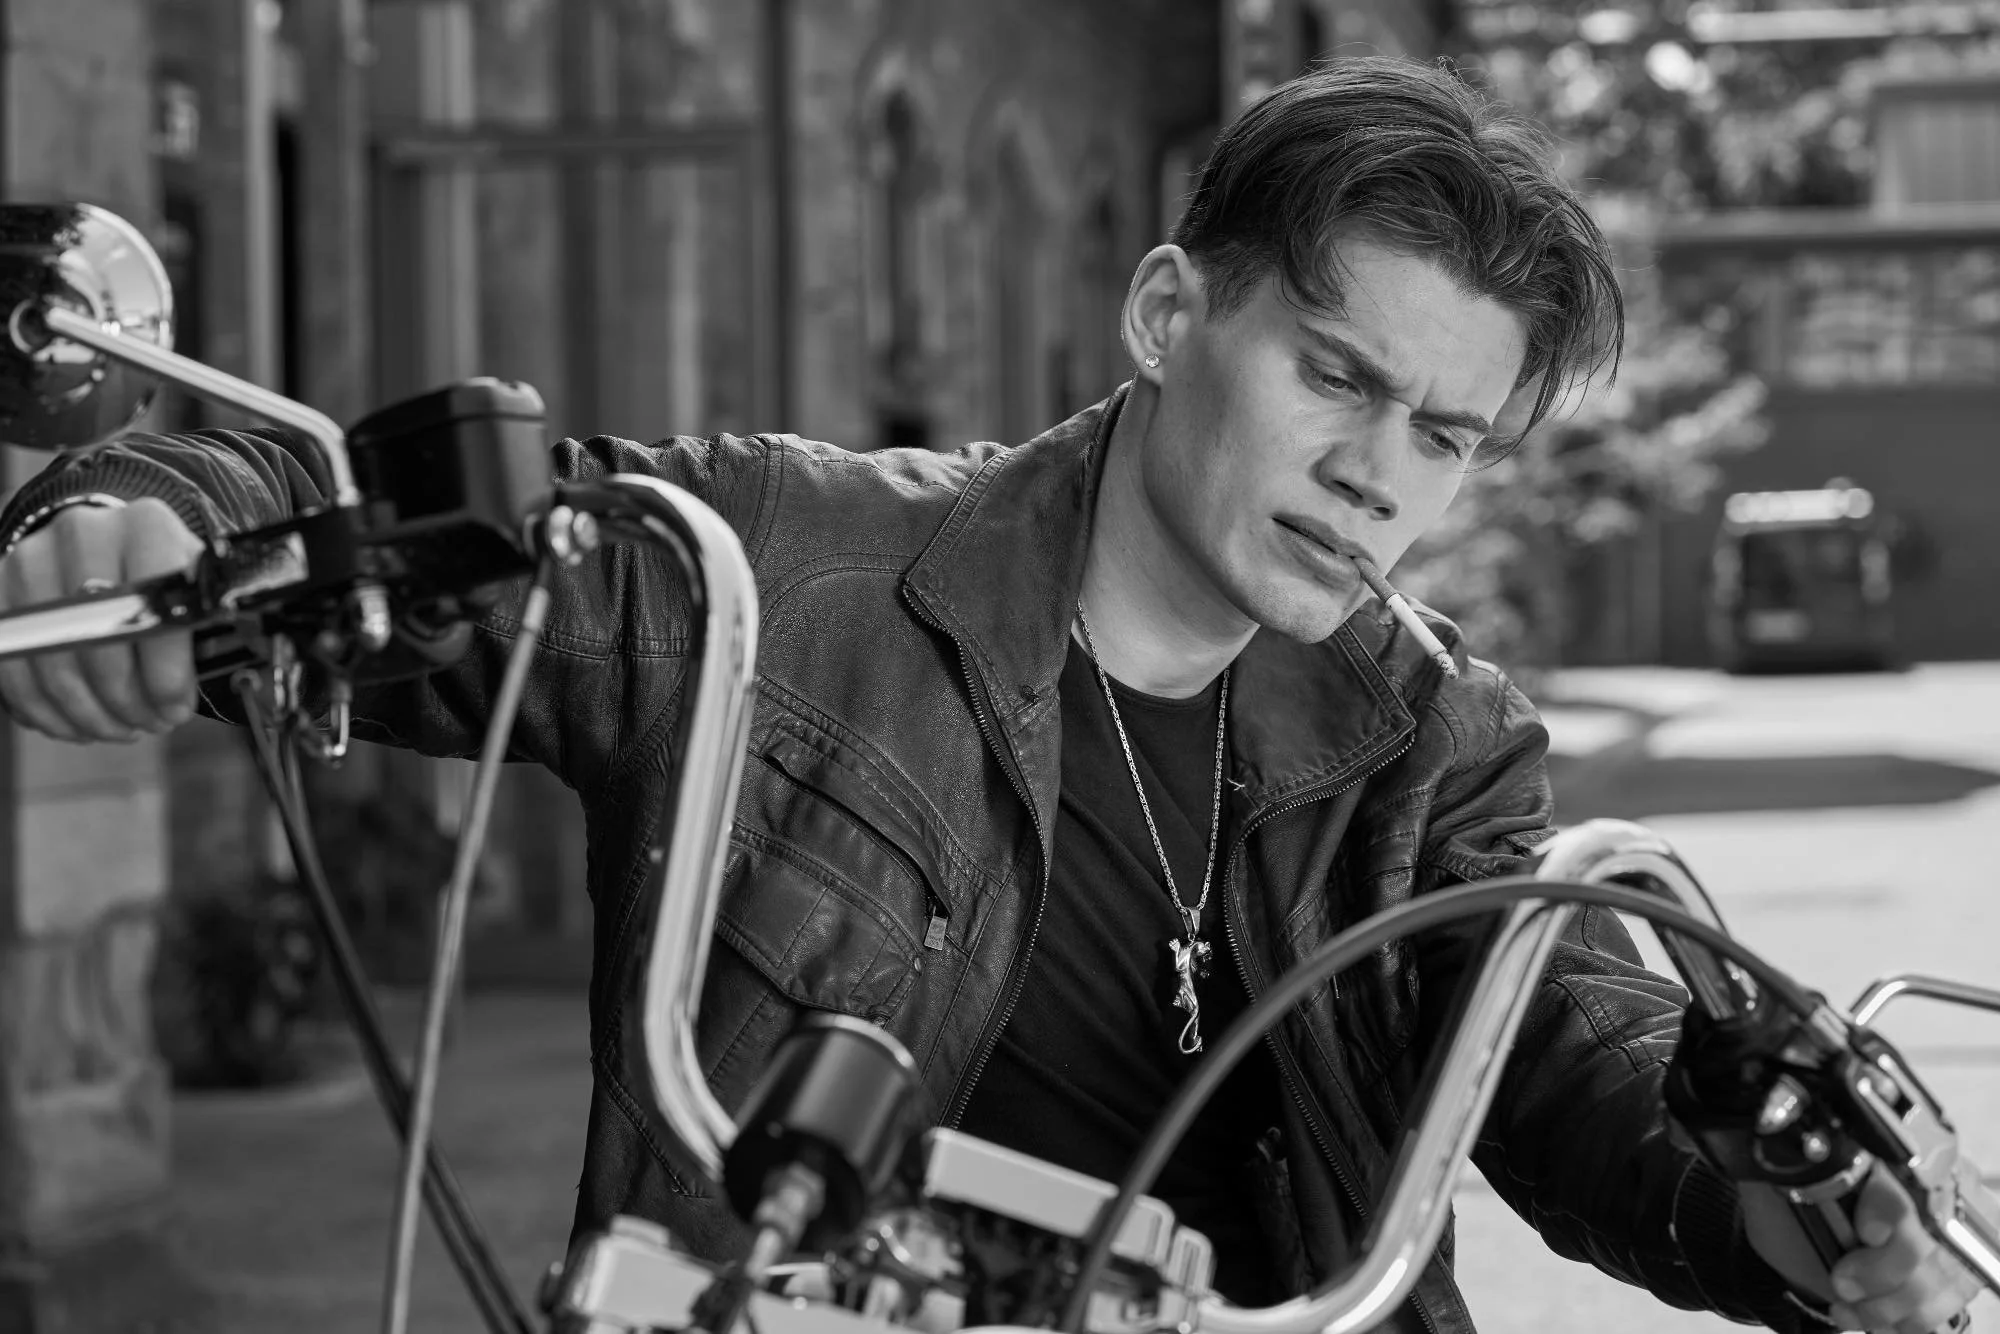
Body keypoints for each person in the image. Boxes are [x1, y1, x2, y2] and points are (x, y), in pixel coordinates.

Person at [0, 57, 1976, 1334]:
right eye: (1338, 378)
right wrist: (143, 522)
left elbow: (1581, 1055)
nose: (1382, 473)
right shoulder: (782, 565)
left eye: (1446, 434)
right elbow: (421, 531)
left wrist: (1793, 1209)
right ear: (1168, 313)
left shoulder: (1435, 748)